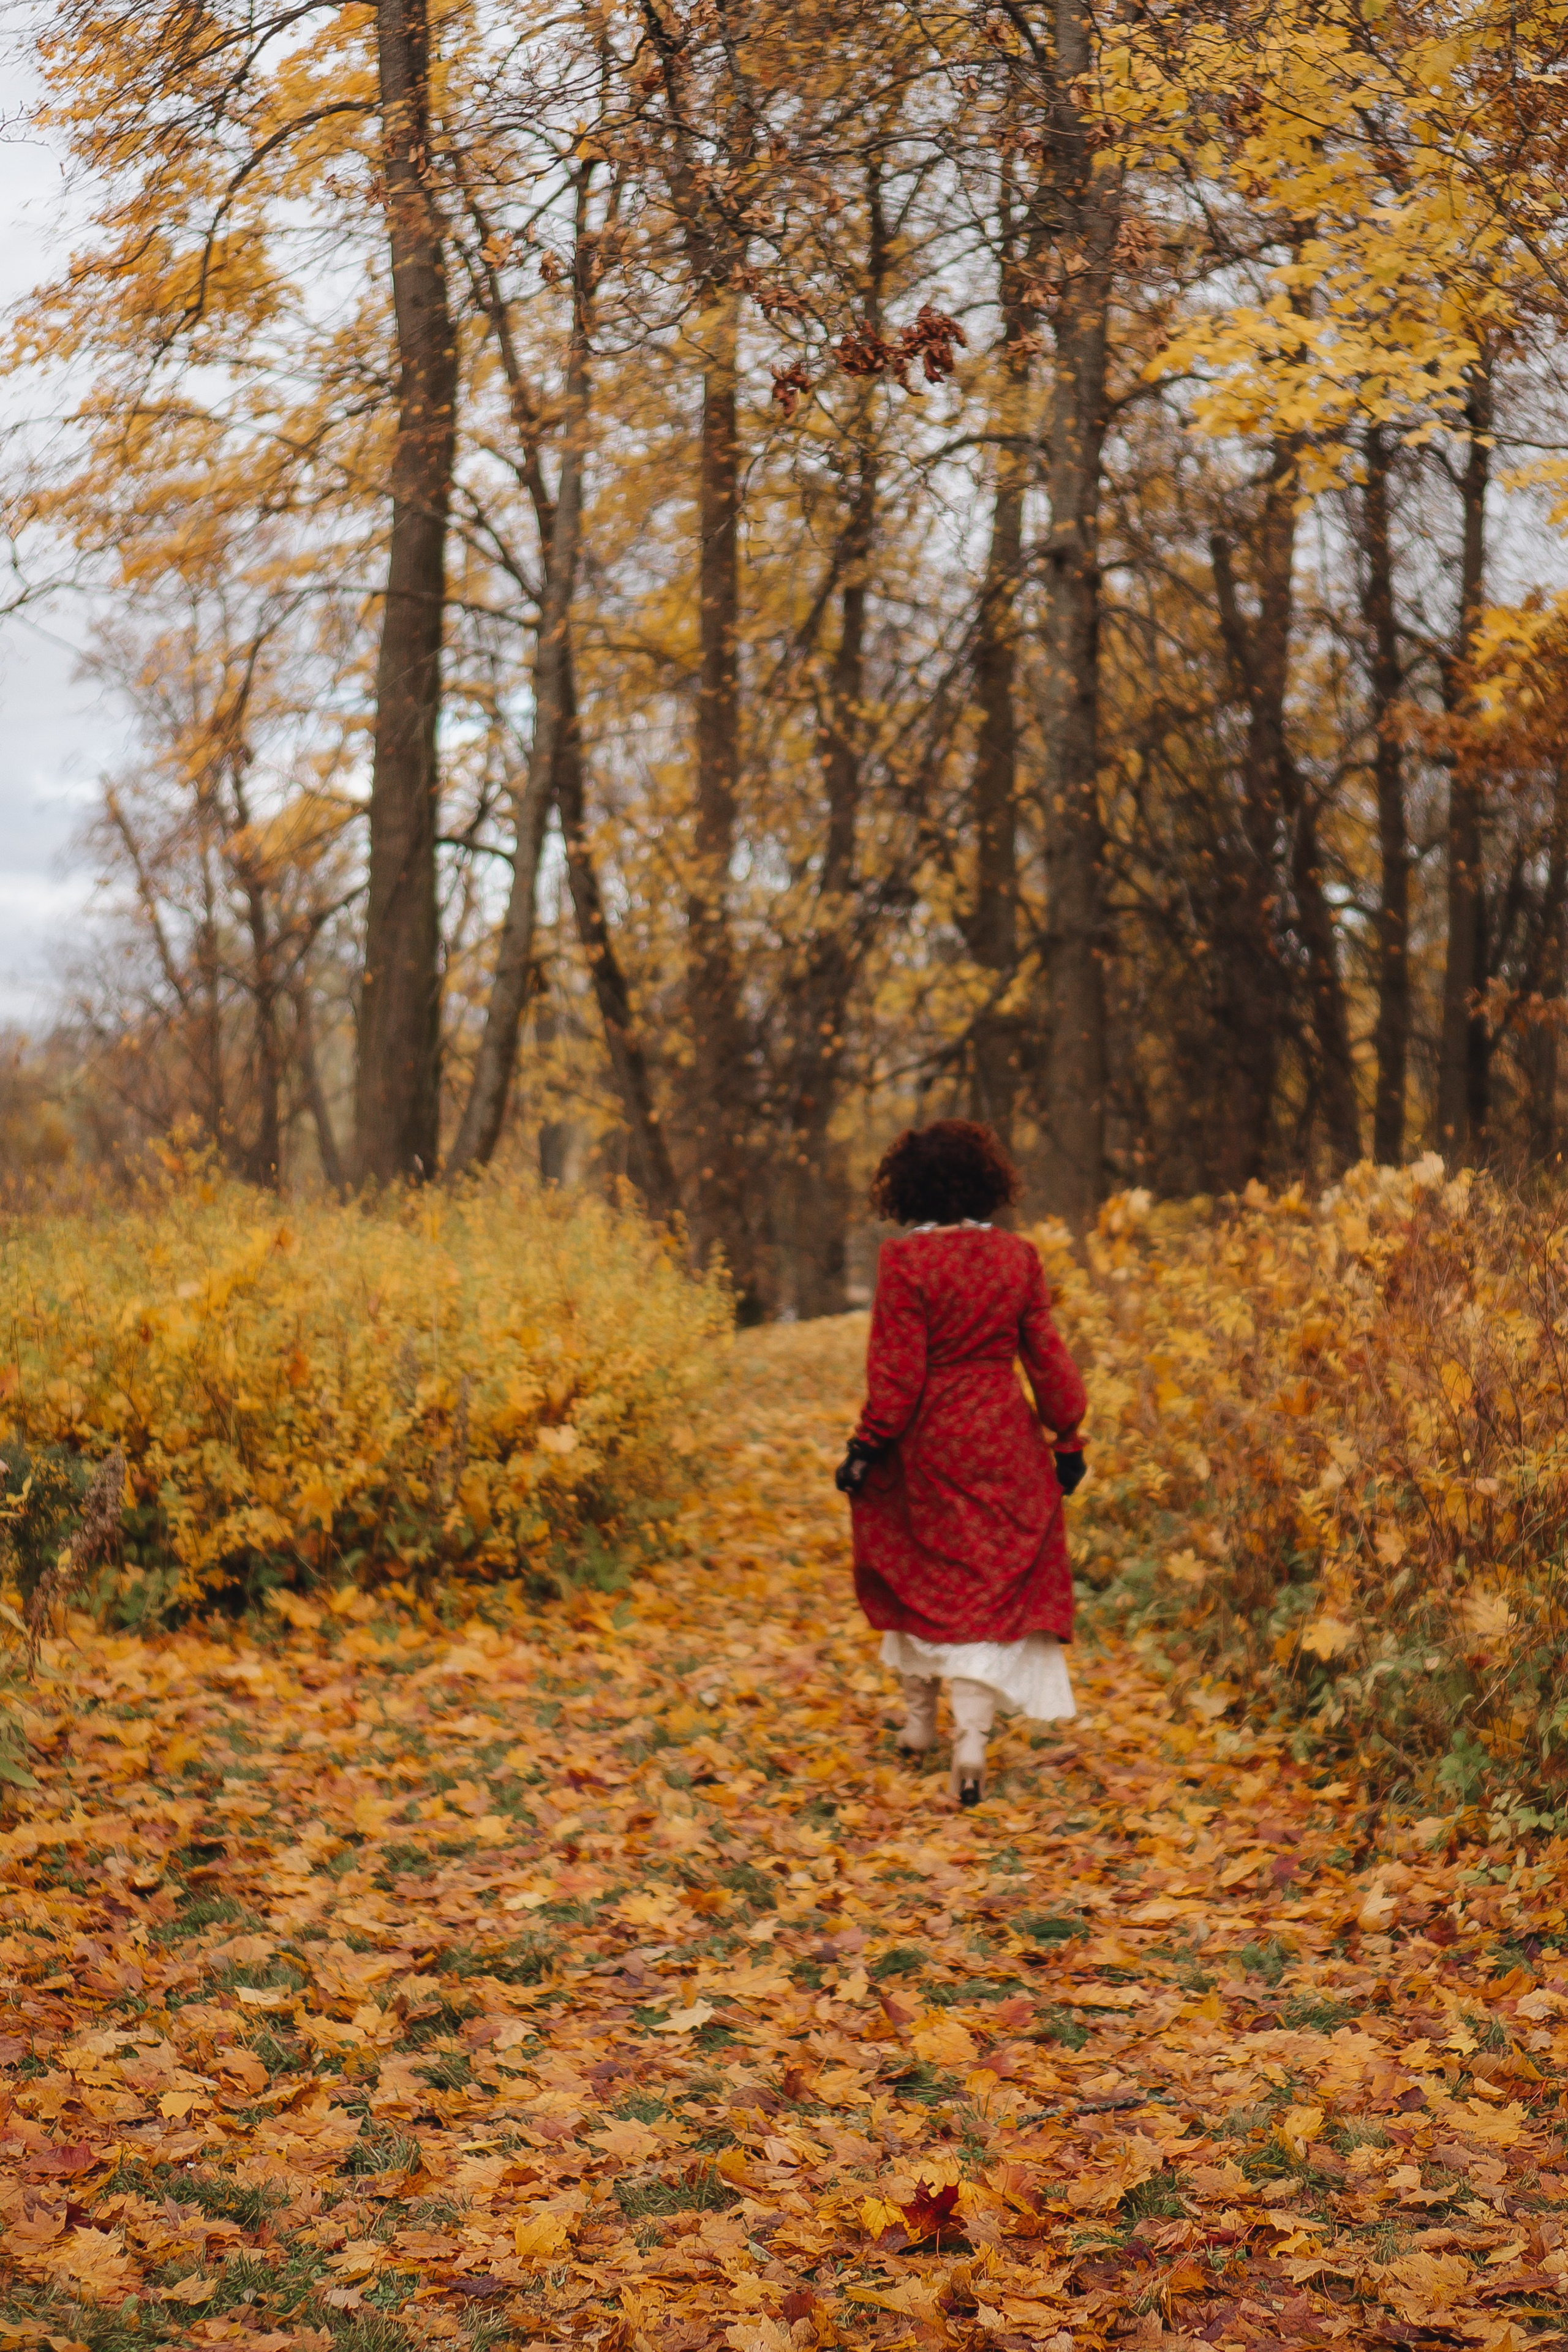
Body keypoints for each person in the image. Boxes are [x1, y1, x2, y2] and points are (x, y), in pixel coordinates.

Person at [835, 1120, 1088, 1806]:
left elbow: (895, 1377)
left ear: (905, 1189)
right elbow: (1049, 1359)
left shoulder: (905, 1264)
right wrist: (1066, 1437)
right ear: (987, 1183)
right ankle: (967, 1740)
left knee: (914, 1569)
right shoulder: (1018, 1259)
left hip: (928, 1440)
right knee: (988, 1587)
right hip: (1004, 1434)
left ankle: (919, 1724)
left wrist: (866, 1447)